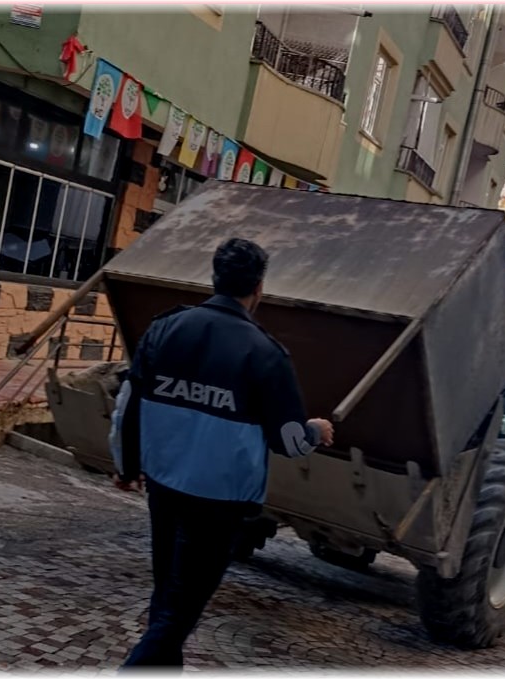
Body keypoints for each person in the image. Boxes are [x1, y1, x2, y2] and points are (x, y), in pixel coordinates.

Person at [114, 237, 334, 668]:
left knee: (168, 593)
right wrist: (316, 431)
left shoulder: (165, 328)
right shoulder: (266, 354)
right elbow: (287, 440)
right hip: (219, 500)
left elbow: (128, 404)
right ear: (259, 290)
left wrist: (126, 464)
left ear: (214, 277)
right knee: (181, 610)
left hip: (164, 484)